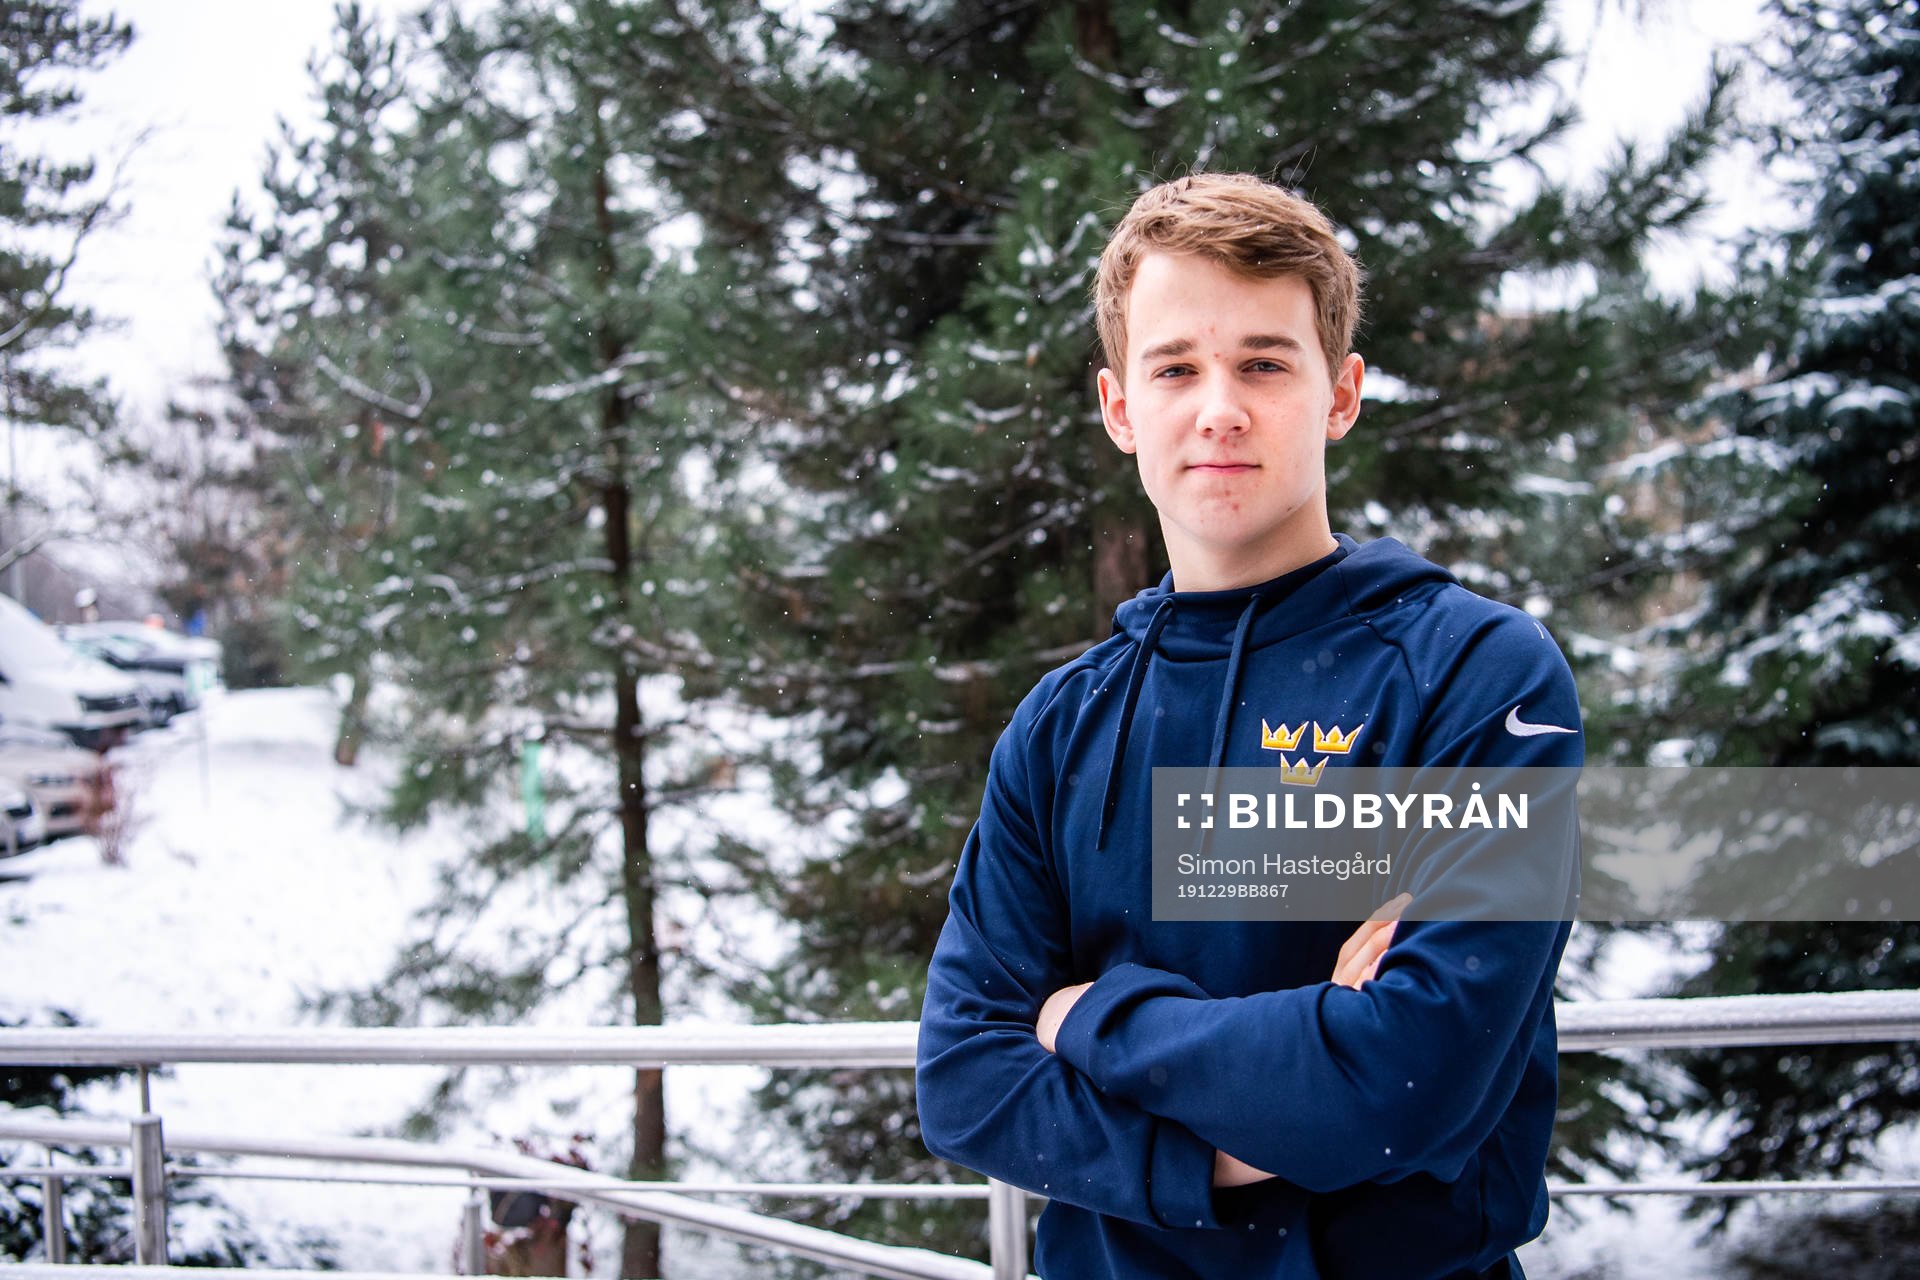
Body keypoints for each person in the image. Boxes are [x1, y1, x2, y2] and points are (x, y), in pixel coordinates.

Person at [915, 172, 1583, 1279]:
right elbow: (964, 1076)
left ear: (1342, 392)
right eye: (1175, 366)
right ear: (1120, 406)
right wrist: (1291, 1081)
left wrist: (1085, 1019)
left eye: (1264, 362)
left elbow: (1404, 1084)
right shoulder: (1059, 726)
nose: (1217, 405)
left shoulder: (1478, 676)